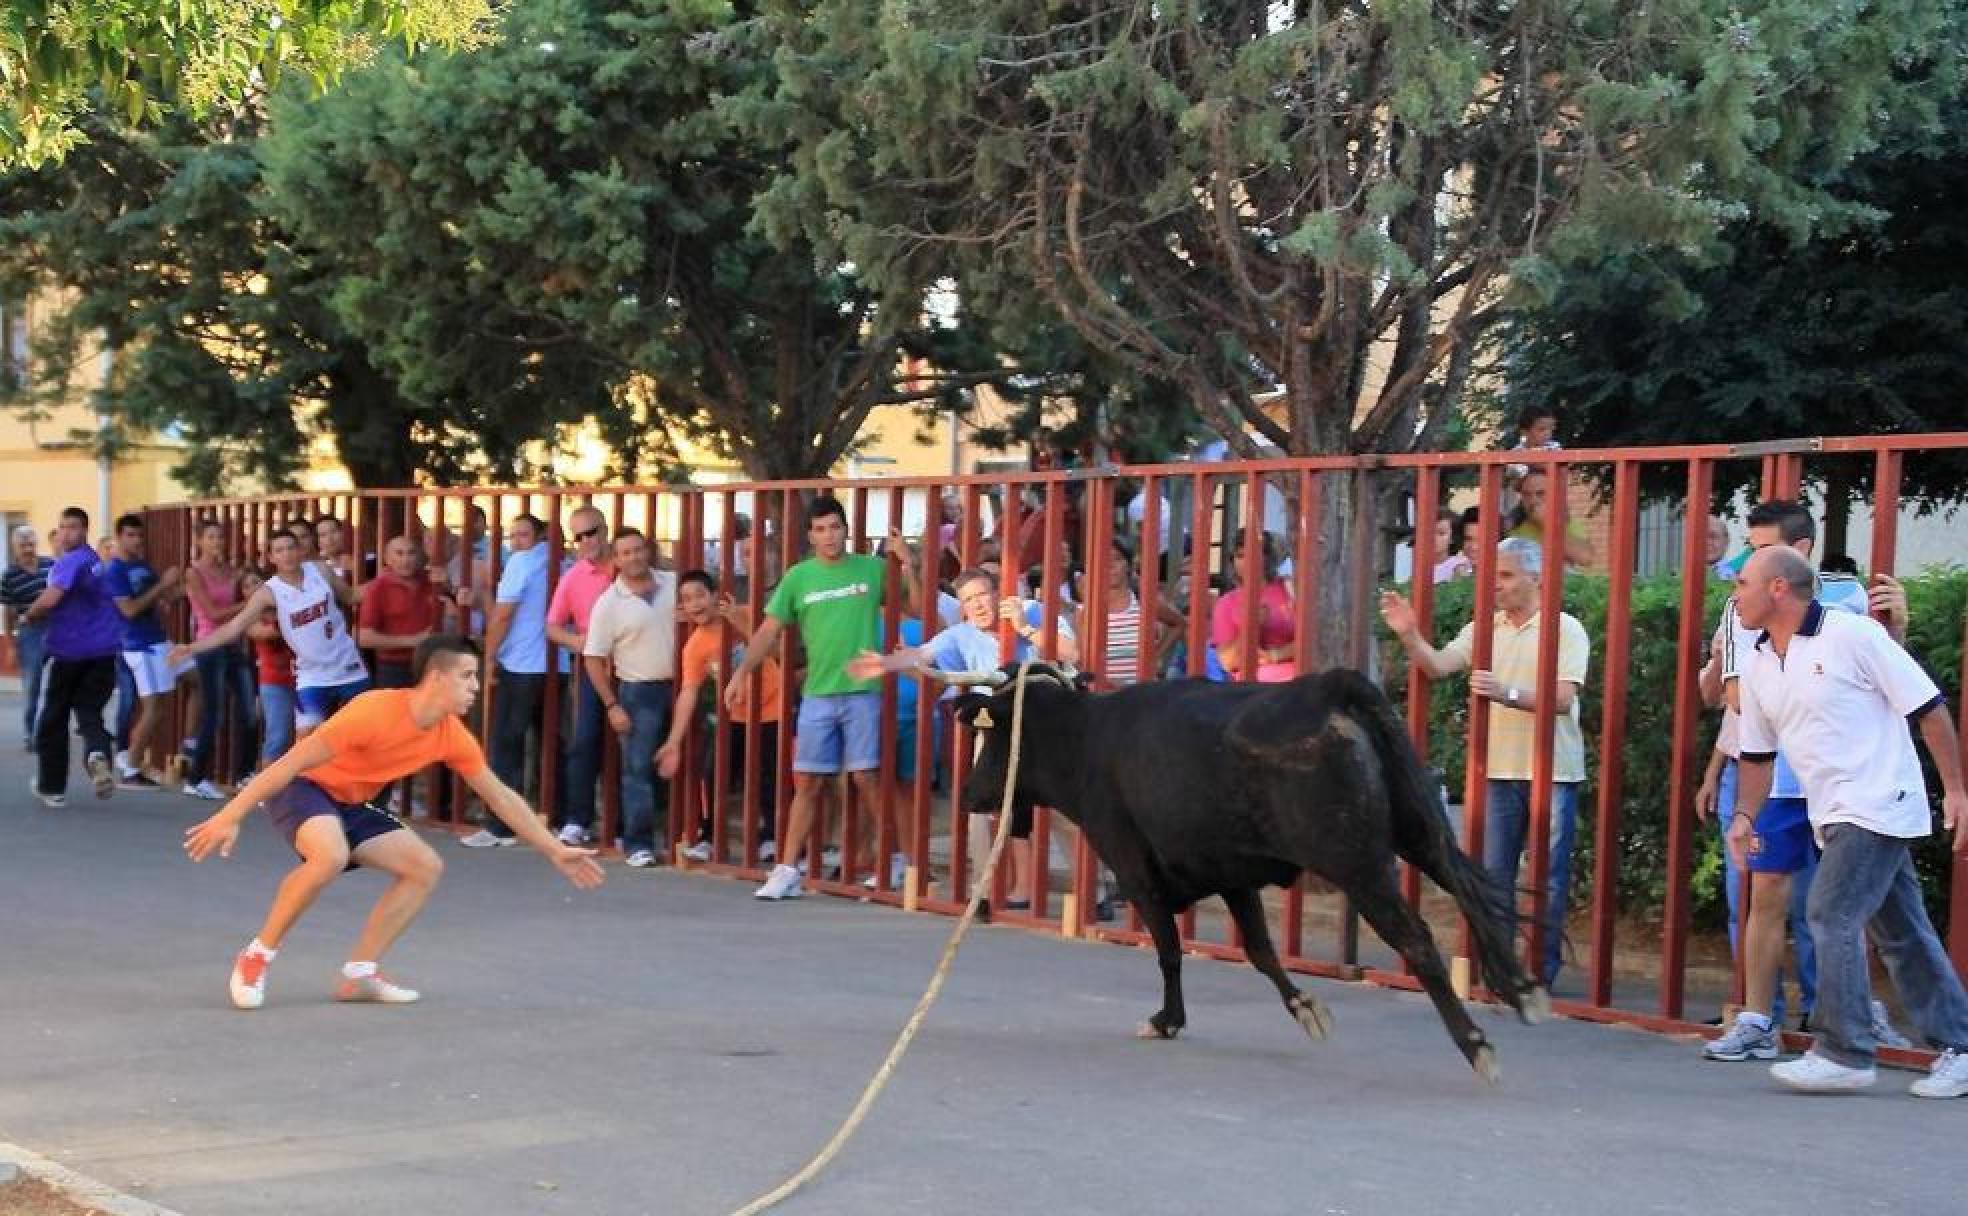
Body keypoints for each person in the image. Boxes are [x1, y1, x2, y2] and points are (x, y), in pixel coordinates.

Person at [181, 634, 605, 1010]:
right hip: (302, 788)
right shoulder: (374, 710)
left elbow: (500, 795)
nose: (476, 686)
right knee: (329, 856)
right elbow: (288, 763)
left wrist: (553, 848)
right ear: (437, 677)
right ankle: (257, 954)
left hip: (352, 803)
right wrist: (229, 815)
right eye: (468, 676)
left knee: (424, 866)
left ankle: (359, 973)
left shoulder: (450, 733)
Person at [1726, 545, 1968, 1097]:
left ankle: (1846, 1049)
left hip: (1880, 800)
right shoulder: (1761, 662)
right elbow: (1758, 756)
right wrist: (1744, 815)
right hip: (1829, 810)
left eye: (1742, 583)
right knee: (1903, 933)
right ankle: (1961, 1045)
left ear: (1779, 589)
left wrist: (1956, 789)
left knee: (1829, 911)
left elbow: (1928, 707)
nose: (1734, 594)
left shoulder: (1853, 635)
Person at [1699, 499, 1911, 1061]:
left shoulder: (1853, 598)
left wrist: (1900, 628)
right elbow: (1736, 697)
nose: (1747, 558)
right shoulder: (1740, 605)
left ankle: (1845, 1021)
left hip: (1846, 785)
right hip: (1779, 780)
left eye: (1760, 545)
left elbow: (1895, 685)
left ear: (1798, 554)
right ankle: (1757, 1020)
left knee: (1846, 908)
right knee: (1766, 898)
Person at [1380, 536, 1589, 987]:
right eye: (1493, 574)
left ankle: (1540, 972)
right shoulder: (1485, 627)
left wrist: (1506, 694)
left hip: (1552, 771)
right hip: (1497, 770)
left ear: (1535, 578)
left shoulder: (1564, 628)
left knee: (1546, 878)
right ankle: (1502, 970)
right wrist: (1409, 634)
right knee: (1495, 876)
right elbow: (1437, 666)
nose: (1496, 585)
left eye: (1507, 575)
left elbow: (1564, 697)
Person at [848, 566, 1079, 905]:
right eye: (969, 600)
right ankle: (990, 891)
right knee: (989, 809)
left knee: (1061, 811)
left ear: (998, 594)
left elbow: (1071, 654)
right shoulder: (961, 634)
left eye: (983, 595)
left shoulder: (1033, 611)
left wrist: (1025, 629)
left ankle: (1090, 889)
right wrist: (887, 663)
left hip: (1048, 725)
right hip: (997, 729)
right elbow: (922, 654)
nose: (978, 605)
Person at [725, 495, 896, 901]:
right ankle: (786, 869)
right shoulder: (799, 577)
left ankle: (891, 859)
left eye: (835, 527)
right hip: (818, 692)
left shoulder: (873, 570)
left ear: (845, 530)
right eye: (820, 529)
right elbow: (768, 631)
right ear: (810, 535)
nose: (829, 536)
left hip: (864, 691)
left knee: (866, 778)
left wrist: (908, 561)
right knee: (808, 783)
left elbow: (914, 603)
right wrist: (741, 672)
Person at [169, 527, 369, 744]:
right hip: (313, 675)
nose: (287, 554)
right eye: (280, 550)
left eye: (291, 548)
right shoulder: (269, 592)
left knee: (362, 736)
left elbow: (352, 596)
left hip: (348, 667)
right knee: (307, 743)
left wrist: (385, 579)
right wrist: (191, 648)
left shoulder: (320, 571)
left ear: (300, 551)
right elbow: (234, 627)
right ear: (272, 557)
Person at [660, 569, 782, 864]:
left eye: (700, 595)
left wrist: (738, 621)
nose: (695, 604)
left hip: (772, 708)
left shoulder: (743, 613)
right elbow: (689, 691)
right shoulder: (696, 645)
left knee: (770, 777)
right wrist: (674, 740)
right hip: (735, 713)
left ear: (715, 595)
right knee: (714, 774)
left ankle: (773, 837)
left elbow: (777, 649)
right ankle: (710, 838)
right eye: (687, 599)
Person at [582, 528, 677, 868]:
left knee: (686, 764)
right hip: (639, 690)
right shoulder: (609, 604)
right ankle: (639, 843)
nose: (634, 557)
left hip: (683, 686)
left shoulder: (673, 583)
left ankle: (684, 838)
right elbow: (593, 658)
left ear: (648, 551)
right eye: (626, 552)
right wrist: (612, 704)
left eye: (638, 550)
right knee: (638, 769)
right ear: (616, 559)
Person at [463, 513, 552, 848]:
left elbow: (502, 614)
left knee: (505, 746)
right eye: (512, 536)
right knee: (548, 745)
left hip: (520, 662)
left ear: (539, 534)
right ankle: (550, 817)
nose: (516, 542)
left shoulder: (520, 563)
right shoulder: (560, 561)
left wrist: (488, 656)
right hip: (554, 663)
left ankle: (501, 825)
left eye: (523, 534)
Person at [22, 507, 122, 804]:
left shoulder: (72, 561)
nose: (67, 533)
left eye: (73, 527)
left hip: (70, 653)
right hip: (104, 652)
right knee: (90, 713)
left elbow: (51, 598)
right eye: (63, 527)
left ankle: (51, 787)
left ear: (84, 531)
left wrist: (30, 614)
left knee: (53, 719)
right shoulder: (94, 561)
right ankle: (97, 755)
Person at [544, 505, 615, 846]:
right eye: (580, 536)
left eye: (593, 531)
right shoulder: (572, 577)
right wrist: (577, 642)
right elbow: (553, 627)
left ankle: (628, 826)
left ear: (606, 529)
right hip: (592, 666)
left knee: (632, 745)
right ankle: (578, 818)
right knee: (584, 740)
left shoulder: (628, 564)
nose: (588, 540)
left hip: (637, 665)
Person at [100, 513, 186, 788]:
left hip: (160, 639)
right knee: (154, 709)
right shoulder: (114, 571)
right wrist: (162, 585)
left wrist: (179, 586)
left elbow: (164, 597)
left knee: (196, 679)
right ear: (118, 538)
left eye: (139, 535)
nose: (136, 541)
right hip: (140, 645)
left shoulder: (142, 566)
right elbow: (130, 609)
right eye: (130, 535)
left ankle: (190, 746)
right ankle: (130, 768)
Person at [182, 518, 254, 800]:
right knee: (214, 713)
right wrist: (249, 604)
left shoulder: (232, 572)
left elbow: (249, 588)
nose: (216, 543)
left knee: (249, 709)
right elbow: (211, 613)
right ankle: (197, 776)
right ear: (199, 541)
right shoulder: (194, 573)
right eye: (210, 537)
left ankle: (244, 773)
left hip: (234, 643)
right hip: (210, 644)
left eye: (220, 537)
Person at [1212, 531, 1298, 682]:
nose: (1247, 561)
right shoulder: (1227, 603)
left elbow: (1316, 642)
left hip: (1296, 682)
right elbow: (1227, 662)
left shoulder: (1290, 589)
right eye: (1240, 556)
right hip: (1251, 690)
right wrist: (1252, 626)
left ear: (1268, 558)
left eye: (1254, 554)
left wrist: (1275, 655)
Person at [3, 523, 54, 750]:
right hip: (30, 631)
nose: (28, 548)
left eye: (31, 543)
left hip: (56, 628)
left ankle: (50, 730)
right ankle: (29, 733)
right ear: (15, 548)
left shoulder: (50, 565)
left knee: (60, 681)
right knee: (32, 685)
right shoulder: (9, 575)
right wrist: (12, 646)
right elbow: (9, 611)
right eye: (23, 545)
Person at [1506, 468, 1595, 569]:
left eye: (1541, 493)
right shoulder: (1513, 526)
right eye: (1526, 494)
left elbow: (1586, 558)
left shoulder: (1568, 524)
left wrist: (1547, 524)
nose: (1533, 500)